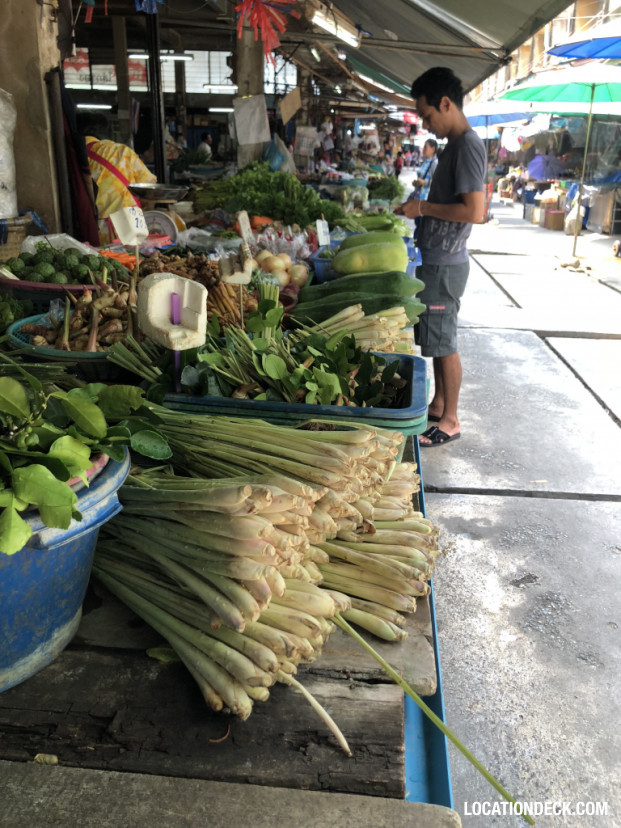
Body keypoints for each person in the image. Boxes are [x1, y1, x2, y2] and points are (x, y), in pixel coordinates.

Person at [394, 66, 486, 447]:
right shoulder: (454, 147)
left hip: (446, 263)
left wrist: (424, 209)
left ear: (445, 103)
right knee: (434, 337)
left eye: (429, 115)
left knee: (444, 340)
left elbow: (474, 211)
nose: (427, 125)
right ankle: (438, 404)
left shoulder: (467, 146)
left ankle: (450, 420)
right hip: (437, 258)